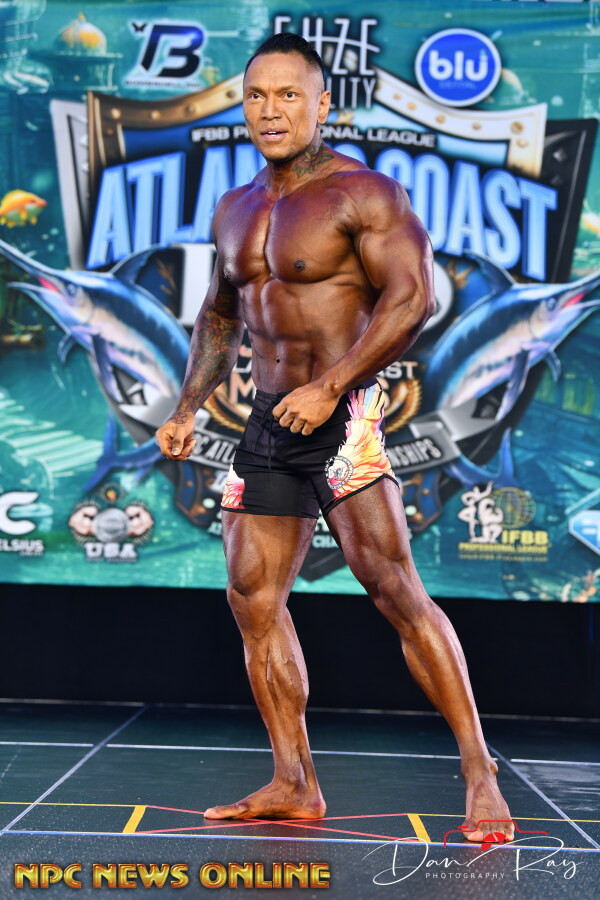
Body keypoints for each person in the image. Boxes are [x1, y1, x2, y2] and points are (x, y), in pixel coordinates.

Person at [156, 32, 514, 843]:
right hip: (268, 421)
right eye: (257, 95)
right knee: (253, 598)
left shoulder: (365, 194)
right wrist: (186, 406)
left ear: (323, 105)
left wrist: (329, 385)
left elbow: (412, 300)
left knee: (394, 590)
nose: (271, 110)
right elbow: (220, 314)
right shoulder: (236, 207)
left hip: (344, 415)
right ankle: (294, 780)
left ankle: (479, 771)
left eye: (289, 95)